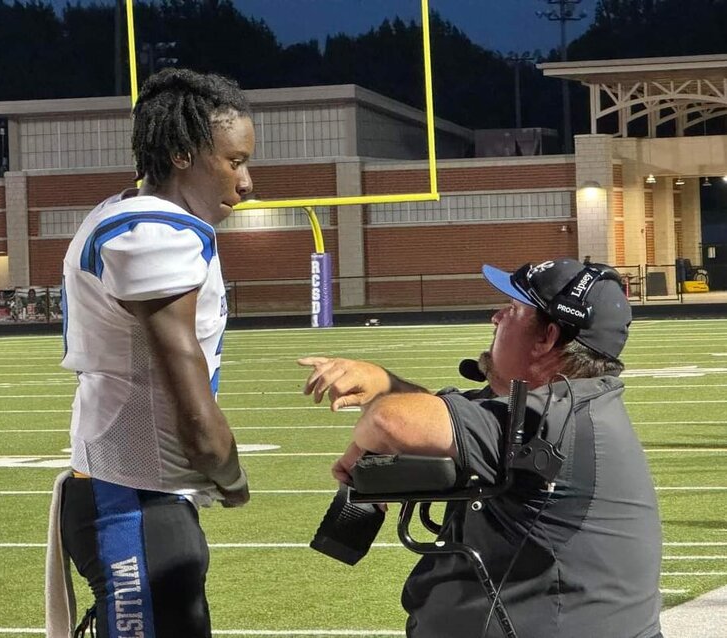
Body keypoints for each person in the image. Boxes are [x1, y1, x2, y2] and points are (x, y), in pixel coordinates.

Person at [299, 258, 662, 638]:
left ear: (547, 338)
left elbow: (391, 422)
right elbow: (449, 418)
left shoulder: (550, 421)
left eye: (515, 309)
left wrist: (373, 429)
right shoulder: (574, 408)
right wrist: (383, 382)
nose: (496, 316)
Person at [46, 67, 255, 638]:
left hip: (140, 489)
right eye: (234, 162)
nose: (246, 182)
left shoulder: (133, 214)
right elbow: (184, 386)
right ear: (184, 155)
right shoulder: (151, 231)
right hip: (130, 495)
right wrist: (229, 475)